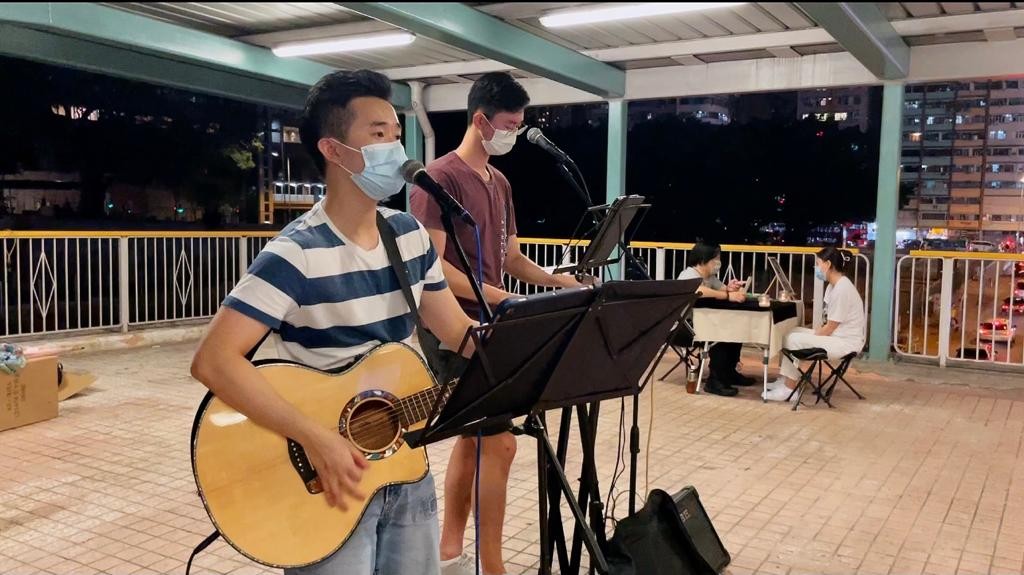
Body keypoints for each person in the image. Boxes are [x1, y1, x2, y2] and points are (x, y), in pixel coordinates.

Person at [190, 70, 477, 574]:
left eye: (396, 133)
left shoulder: (408, 235)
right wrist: (315, 436)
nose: (396, 146)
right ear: (334, 149)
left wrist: (539, 347)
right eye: (378, 133)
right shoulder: (296, 253)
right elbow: (214, 360)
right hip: (325, 480)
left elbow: (458, 334)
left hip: (405, 466)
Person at [410, 71, 587, 575]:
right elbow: (434, 266)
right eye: (509, 124)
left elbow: (508, 256)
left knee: (476, 438)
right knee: (500, 442)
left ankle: (449, 552)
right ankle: (492, 566)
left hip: (493, 321)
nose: (514, 133)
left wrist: (557, 281)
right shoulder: (439, 178)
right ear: (481, 120)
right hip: (455, 326)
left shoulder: (500, 181)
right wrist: (503, 299)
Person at [764, 247, 865, 402]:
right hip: (835, 336)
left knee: (795, 339)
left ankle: (789, 389)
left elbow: (831, 326)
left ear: (828, 264)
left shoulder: (842, 289)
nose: (816, 268)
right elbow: (828, 323)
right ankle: (785, 379)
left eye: (818, 264)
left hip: (845, 342)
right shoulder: (833, 286)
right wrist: (812, 335)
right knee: (791, 332)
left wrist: (813, 336)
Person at [677, 242, 757, 397]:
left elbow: (722, 289)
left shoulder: (710, 277)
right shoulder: (689, 275)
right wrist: (727, 295)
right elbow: (698, 290)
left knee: (734, 327)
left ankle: (729, 373)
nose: (718, 262)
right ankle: (715, 381)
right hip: (682, 327)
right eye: (716, 258)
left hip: (701, 323)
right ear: (703, 259)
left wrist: (730, 288)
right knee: (720, 333)